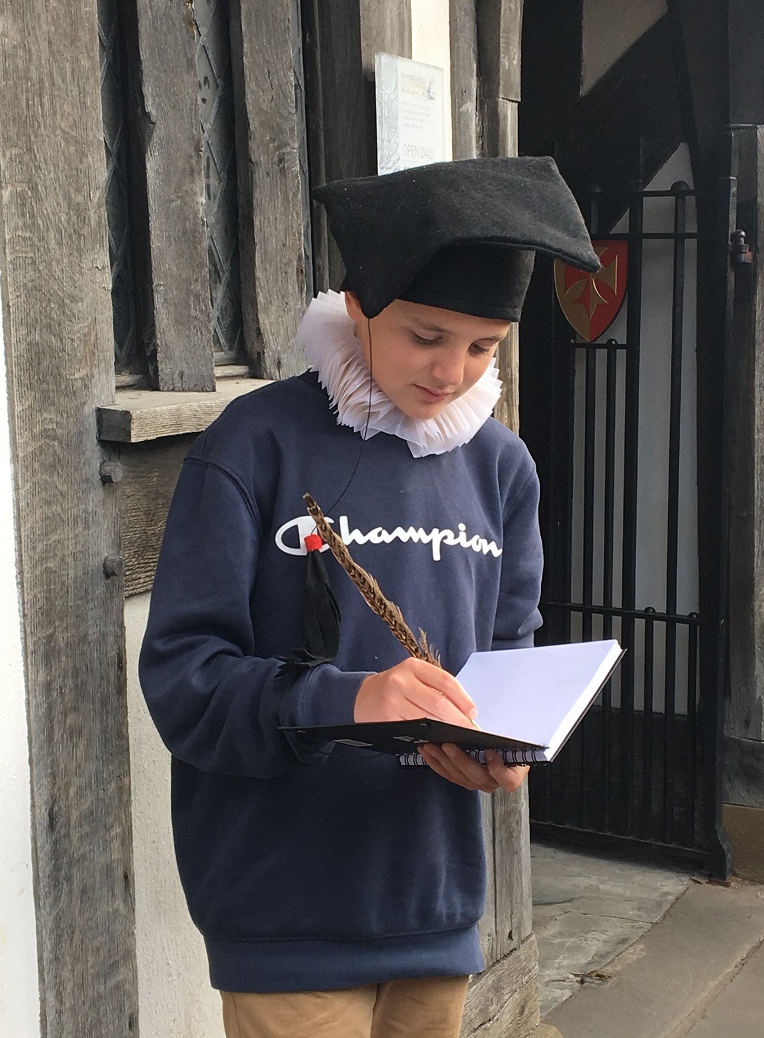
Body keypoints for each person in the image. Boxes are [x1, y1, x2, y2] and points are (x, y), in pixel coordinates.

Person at [139, 156, 600, 1038]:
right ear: (358, 308)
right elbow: (183, 680)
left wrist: (506, 747)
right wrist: (348, 699)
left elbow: (508, 660)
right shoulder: (255, 443)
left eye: (483, 346)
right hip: (283, 909)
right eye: (427, 336)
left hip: (435, 900)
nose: (452, 371)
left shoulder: (501, 466)